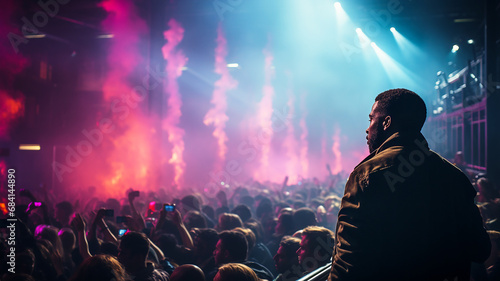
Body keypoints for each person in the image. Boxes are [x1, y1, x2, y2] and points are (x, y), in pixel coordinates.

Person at [329, 88, 491, 281]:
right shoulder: (455, 176)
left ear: (387, 122)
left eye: (371, 119)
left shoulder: (368, 174)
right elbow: (480, 250)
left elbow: (348, 263)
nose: (367, 128)